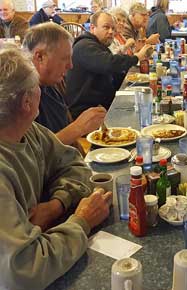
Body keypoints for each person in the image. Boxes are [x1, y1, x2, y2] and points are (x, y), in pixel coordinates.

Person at [0, 47, 112, 290]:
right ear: (27, 102)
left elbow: (75, 166)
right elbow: (23, 271)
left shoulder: (28, 131)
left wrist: (56, 205)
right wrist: (81, 221)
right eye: (37, 86)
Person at [23, 22, 106, 146]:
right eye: (64, 59)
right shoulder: (21, 97)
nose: (70, 65)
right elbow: (34, 155)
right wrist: (78, 128)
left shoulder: (51, 85)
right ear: (40, 56)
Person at [66, 11, 152, 119]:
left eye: (113, 28)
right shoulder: (85, 46)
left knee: (144, 104)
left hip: (101, 105)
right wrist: (136, 57)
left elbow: (113, 73)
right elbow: (109, 64)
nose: (111, 32)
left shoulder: (97, 45)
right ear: (93, 28)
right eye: (106, 27)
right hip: (87, 113)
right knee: (142, 116)